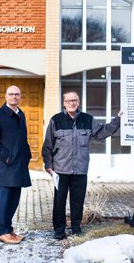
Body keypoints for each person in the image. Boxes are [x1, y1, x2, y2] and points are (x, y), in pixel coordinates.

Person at [42, 90, 122, 240]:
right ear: (64, 103)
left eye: (74, 100)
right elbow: (47, 145)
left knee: (77, 201)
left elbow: (102, 132)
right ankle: (59, 230)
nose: (71, 103)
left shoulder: (87, 119)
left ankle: (76, 228)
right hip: (60, 170)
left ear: (78, 102)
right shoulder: (56, 120)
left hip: (80, 169)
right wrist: (48, 164)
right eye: (68, 101)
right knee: (59, 201)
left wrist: (118, 119)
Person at [0, 85, 32, 244]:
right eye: (11, 94)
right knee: (4, 197)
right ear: (5, 96)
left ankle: (8, 229)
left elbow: (22, 138)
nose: (14, 97)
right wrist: (6, 156)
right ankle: (1, 232)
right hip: (7, 163)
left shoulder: (21, 114)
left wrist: (27, 155)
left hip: (19, 163)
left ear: (20, 97)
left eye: (17, 94)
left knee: (14, 198)